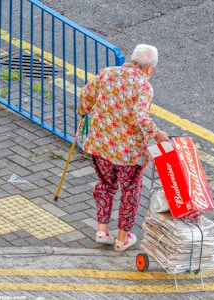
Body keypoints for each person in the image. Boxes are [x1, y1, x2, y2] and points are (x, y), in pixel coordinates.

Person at [77, 44, 169, 251]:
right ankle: (122, 238)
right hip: (128, 153)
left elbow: (86, 94)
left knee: (104, 185)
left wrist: (82, 111)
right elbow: (140, 117)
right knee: (130, 191)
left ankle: (102, 230)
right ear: (150, 68)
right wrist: (157, 133)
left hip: (100, 145)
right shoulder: (144, 86)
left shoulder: (107, 73)